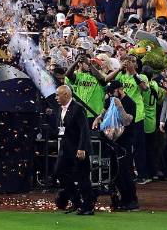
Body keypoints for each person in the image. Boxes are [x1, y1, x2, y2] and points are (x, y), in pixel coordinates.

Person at [54, 84, 95, 215]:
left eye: (58, 94)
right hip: (66, 150)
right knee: (59, 173)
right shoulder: (60, 110)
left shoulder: (78, 109)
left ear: (66, 94)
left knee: (82, 177)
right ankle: (77, 202)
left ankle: (88, 207)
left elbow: (84, 130)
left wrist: (82, 148)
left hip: (78, 149)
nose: (56, 97)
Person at [99, 79, 138, 211]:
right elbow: (104, 112)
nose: (110, 95)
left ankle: (132, 200)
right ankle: (123, 199)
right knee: (115, 172)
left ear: (120, 90)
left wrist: (119, 106)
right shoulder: (110, 99)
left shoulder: (130, 103)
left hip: (125, 142)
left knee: (125, 171)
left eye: (113, 92)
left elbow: (127, 121)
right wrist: (99, 118)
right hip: (113, 141)